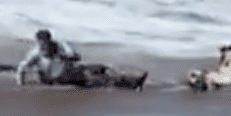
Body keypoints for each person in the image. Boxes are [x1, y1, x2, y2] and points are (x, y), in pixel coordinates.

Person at [16, 29, 148, 90]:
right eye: (41, 43)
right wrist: (20, 85)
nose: (43, 45)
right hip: (59, 81)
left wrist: (65, 57)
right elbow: (22, 68)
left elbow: (76, 57)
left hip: (71, 74)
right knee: (101, 81)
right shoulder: (36, 54)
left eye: (45, 42)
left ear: (50, 40)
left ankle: (133, 80)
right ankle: (131, 82)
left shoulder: (60, 46)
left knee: (101, 73)